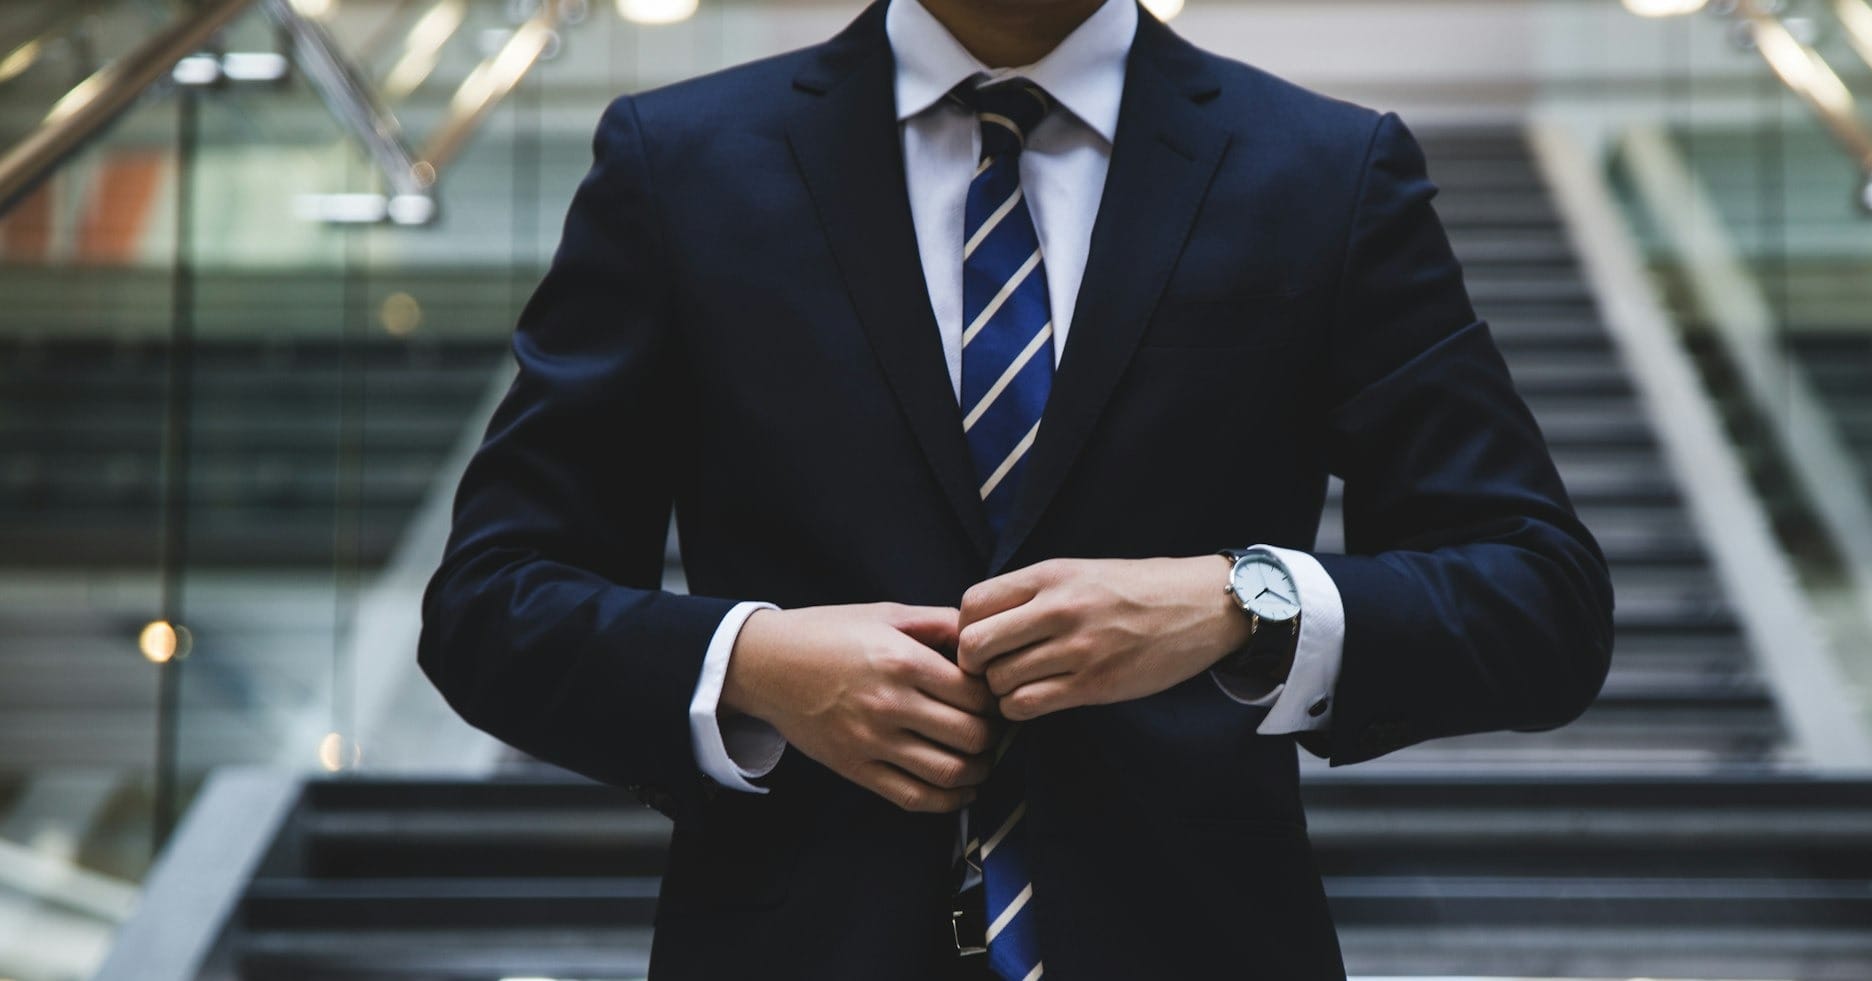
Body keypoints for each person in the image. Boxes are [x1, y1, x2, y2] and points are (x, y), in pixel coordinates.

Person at [416, 0, 1615, 976]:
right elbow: (489, 603)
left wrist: (1243, 604)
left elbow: (1539, 600)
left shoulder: (1323, 171)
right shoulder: (677, 163)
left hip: (1196, 942)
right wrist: (754, 666)